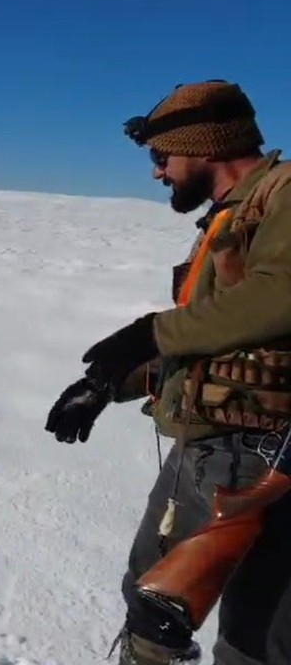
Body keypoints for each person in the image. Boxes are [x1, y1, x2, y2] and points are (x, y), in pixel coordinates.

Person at [44, 80, 291, 665]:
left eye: (162, 157)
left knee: (174, 607)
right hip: (226, 445)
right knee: (248, 623)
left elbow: (280, 295)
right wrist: (112, 383)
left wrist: (151, 332)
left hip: (249, 453)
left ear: (205, 147)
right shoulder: (233, 217)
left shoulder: (284, 197)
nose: (157, 173)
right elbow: (219, 339)